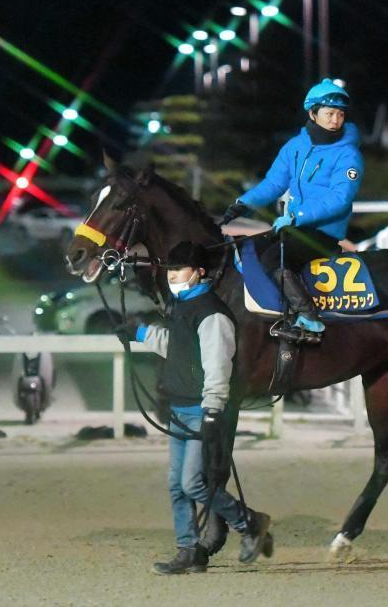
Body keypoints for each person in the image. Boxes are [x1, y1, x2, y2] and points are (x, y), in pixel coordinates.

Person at [127, 240, 271, 575]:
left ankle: (248, 522)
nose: (173, 276)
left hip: (200, 409)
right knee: (177, 484)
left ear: (199, 272)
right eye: (171, 270)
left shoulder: (213, 314)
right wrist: (139, 333)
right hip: (180, 407)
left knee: (192, 484)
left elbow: (218, 364)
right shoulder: (183, 308)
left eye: (180, 270)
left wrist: (212, 410)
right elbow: (178, 349)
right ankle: (188, 550)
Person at [222, 78, 364, 336]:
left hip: (323, 233)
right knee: (249, 249)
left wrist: (297, 215)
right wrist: (243, 203)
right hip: (295, 227)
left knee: (275, 259)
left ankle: (308, 317)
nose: (335, 120)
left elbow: (340, 198)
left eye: (340, 114)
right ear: (313, 113)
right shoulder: (295, 147)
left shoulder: (349, 155)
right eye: (329, 113)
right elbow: (274, 183)